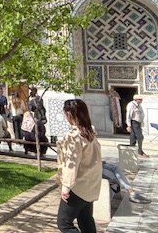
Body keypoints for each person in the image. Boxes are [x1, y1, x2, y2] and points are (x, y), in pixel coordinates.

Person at [56, 99, 102, 233]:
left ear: (69, 114)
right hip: (90, 184)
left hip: (78, 187)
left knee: (64, 223)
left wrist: (66, 187)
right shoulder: (89, 131)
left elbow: (71, 163)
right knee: (85, 219)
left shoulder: (74, 136)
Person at [126, 94, 149, 158]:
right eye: (140, 99)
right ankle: (140, 151)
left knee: (133, 137)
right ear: (136, 100)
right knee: (140, 137)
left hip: (138, 123)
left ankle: (131, 151)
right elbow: (128, 115)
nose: (141, 101)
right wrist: (129, 125)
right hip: (134, 122)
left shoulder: (139, 105)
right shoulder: (131, 105)